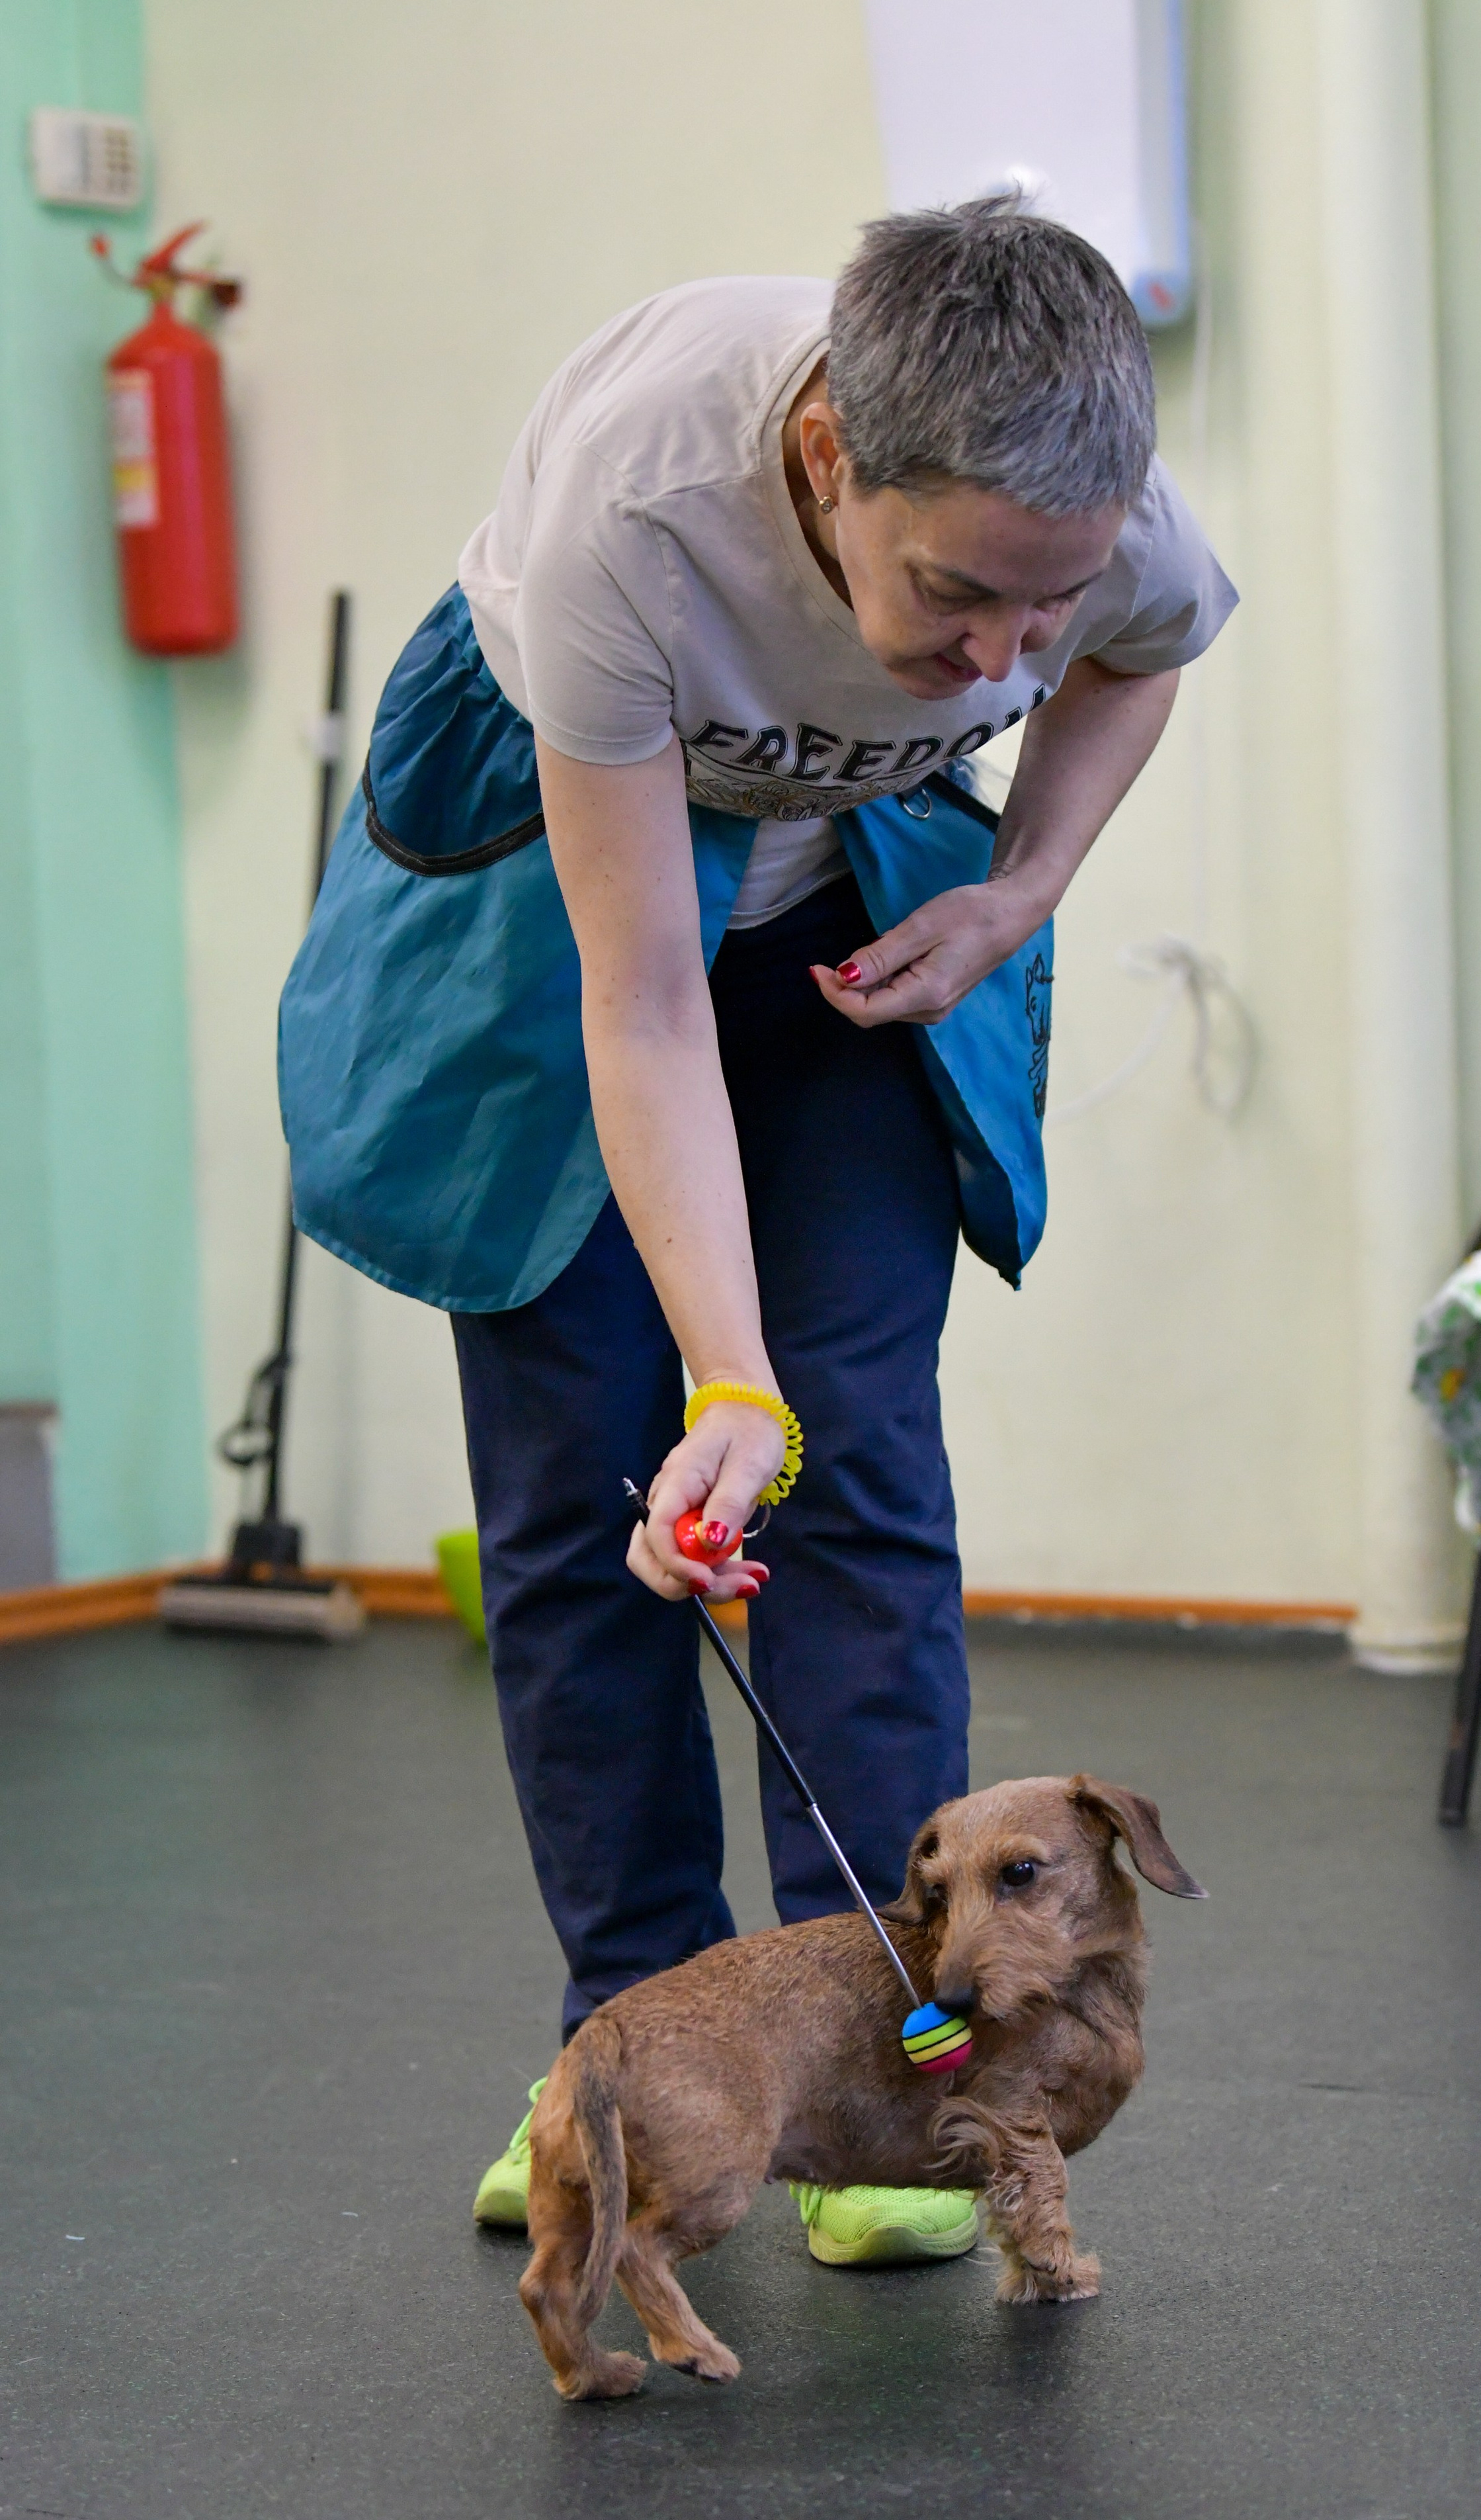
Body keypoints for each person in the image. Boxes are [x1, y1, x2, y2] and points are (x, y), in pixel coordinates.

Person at [279, 195, 1236, 2265]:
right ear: (828, 464)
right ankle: (618, 2057)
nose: (1004, 662)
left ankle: (899, 2072)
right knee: (592, 1496)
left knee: (861, 1450)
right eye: (959, 599)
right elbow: (636, 1005)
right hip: (565, 912)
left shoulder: (1101, 536)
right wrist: (722, 1379)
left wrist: (1019, 886)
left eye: (1039, 613)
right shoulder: (638, 517)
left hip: (832, 929)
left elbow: (1147, 653)